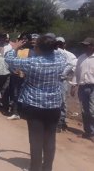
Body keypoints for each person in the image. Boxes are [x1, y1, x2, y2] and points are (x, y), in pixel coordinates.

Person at [5, 35, 66, 171]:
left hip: (34, 105)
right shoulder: (61, 60)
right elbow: (54, 52)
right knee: (50, 138)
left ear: (38, 48)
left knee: (36, 139)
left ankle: (35, 168)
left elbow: (9, 59)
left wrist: (14, 48)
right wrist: (47, 46)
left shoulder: (32, 62)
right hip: (54, 105)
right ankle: (47, 168)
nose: (34, 48)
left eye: (35, 46)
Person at [72, 37, 94, 142]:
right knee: (85, 111)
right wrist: (73, 85)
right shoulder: (80, 58)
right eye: (83, 45)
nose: (84, 47)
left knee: (92, 110)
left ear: (92, 46)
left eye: (87, 45)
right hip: (82, 87)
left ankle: (92, 132)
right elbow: (76, 73)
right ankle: (88, 132)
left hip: (93, 87)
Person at [55, 36, 77, 132]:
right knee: (53, 100)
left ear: (64, 44)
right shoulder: (51, 53)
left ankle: (61, 122)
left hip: (63, 81)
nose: (59, 45)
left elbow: (73, 66)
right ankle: (54, 121)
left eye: (61, 43)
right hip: (52, 80)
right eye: (57, 43)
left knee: (62, 101)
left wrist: (63, 74)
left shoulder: (70, 55)